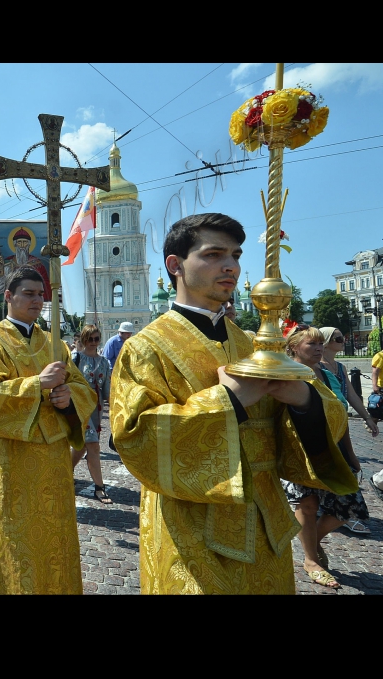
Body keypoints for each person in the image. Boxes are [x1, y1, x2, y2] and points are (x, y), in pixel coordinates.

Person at [109, 213, 357, 595]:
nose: (231, 266)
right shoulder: (145, 348)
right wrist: (230, 400)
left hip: (264, 529)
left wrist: (304, 401)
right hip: (190, 532)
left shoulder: (254, 345)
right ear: (175, 265)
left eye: (236, 255)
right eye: (213, 254)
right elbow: (135, 439)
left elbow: (319, 423)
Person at [0, 267, 97, 594]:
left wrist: (68, 400)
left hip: (53, 465)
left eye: (41, 295)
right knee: (14, 543)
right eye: (29, 293)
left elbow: (85, 391)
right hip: (12, 464)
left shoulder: (55, 346)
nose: (38, 300)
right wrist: (37, 385)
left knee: (54, 542)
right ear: (8, 296)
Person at [281, 325, 370, 587]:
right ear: (294, 347)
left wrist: (351, 455)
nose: (319, 348)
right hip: (301, 450)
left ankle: (312, 541)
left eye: (321, 344)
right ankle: (311, 560)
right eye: (312, 344)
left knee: (349, 507)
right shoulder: (287, 374)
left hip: (334, 451)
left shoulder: (328, 375)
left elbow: (339, 415)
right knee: (306, 506)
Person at [320, 325, 379, 534]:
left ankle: (340, 514)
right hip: (324, 425)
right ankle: (341, 515)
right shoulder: (316, 367)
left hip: (341, 424)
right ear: (326, 341)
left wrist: (367, 417)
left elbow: (351, 396)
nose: (343, 340)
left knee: (344, 467)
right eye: (338, 338)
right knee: (338, 467)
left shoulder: (340, 366)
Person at [71, 324, 113, 504]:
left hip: (96, 410)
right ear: (83, 339)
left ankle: (64, 472)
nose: (93, 343)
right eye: (89, 339)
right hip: (79, 409)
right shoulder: (76, 358)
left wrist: (112, 407)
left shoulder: (104, 362)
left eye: (96, 339)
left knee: (81, 446)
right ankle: (99, 488)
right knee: (94, 446)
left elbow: (106, 389)